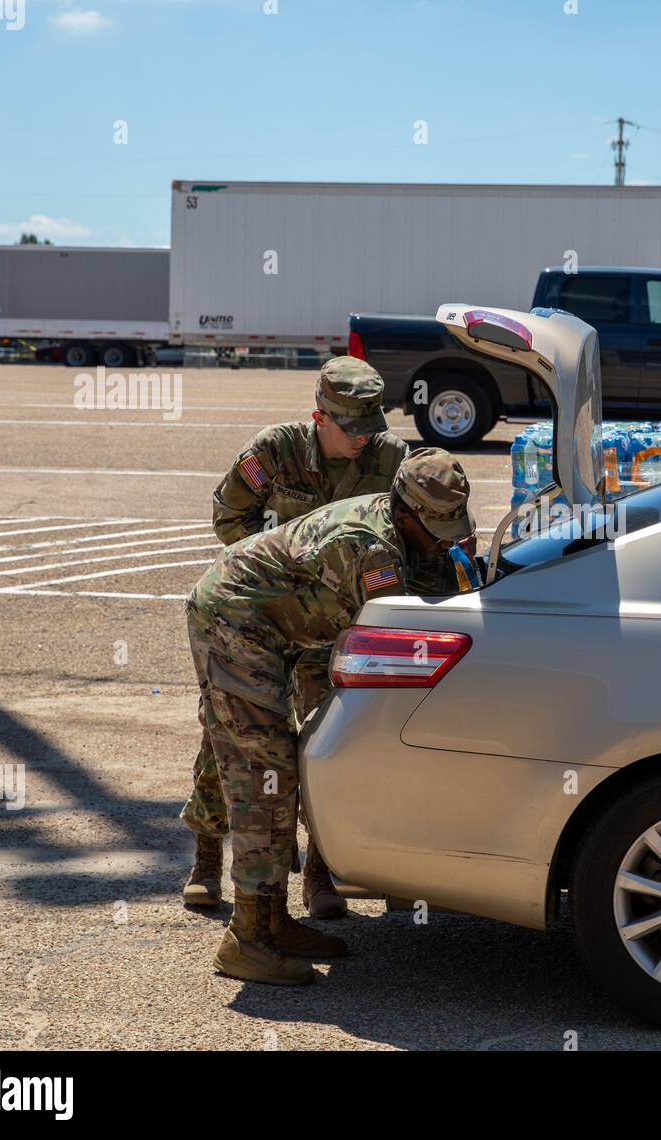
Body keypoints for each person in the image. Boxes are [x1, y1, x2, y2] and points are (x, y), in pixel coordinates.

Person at [186, 449, 475, 985]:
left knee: (290, 768)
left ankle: (272, 921)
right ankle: (246, 940)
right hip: (235, 623)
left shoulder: (424, 523)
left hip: (287, 631)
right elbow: (394, 639)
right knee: (264, 776)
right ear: (405, 512)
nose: (446, 538)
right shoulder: (368, 549)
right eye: (437, 528)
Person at [181, 356, 408, 918]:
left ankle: (322, 874)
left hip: (337, 627)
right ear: (319, 417)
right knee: (229, 736)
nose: (361, 440)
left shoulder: (390, 458)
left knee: (327, 743)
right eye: (350, 429)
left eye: (369, 427)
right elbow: (230, 517)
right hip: (263, 617)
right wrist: (281, 579)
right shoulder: (276, 450)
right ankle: (207, 855)